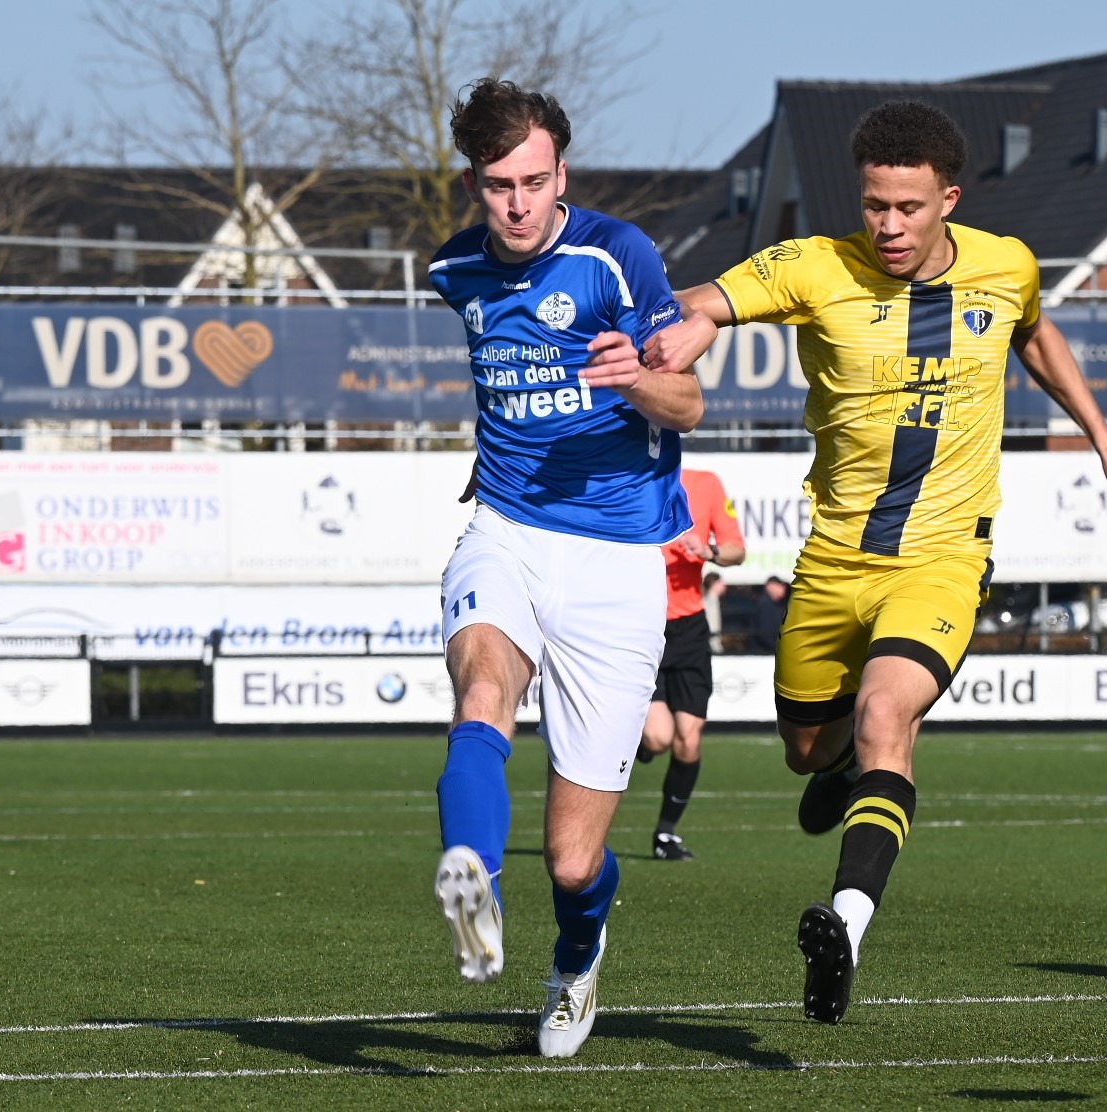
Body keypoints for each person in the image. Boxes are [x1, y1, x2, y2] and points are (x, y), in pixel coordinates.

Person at [648, 99, 1107, 1024]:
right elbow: (707, 299)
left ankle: (844, 926)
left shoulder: (1004, 265)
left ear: (947, 200)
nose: (887, 226)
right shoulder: (815, 264)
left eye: (907, 208)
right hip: (834, 563)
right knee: (808, 752)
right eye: (874, 205)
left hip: (940, 558)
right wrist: (695, 326)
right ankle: (839, 773)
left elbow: (1036, 335)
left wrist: (1105, 441)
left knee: (888, 715)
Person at [427, 78, 713, 1059]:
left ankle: (577, 951)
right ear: (474, 183)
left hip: (616, 561)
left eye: (534, 181)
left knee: (573, 853)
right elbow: (499, 379)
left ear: (564, 173)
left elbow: (689, 405)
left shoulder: (615, 256)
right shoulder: (451, 267)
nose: (517, 203)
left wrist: (638, 376)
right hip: (504, 530)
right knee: (480, 686)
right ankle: (474, 884)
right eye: (498, 184)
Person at [637, 468, 745, 860]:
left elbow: (737, 549)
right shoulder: (633, 475)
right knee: (658, 738)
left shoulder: (707, 484)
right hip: (642, 624)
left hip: (690, 630)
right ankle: (639, 744)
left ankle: (665, 834)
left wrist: (709, 551)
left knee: (689, 738)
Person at [749, 576, 789, 654]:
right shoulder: (765, 604)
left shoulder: (778, 604)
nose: (783, 588)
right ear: (771, 586)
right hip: (765, 652)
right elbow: (765, 633)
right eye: (780, 585)